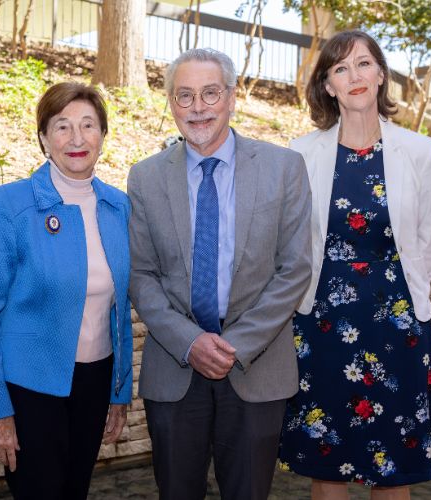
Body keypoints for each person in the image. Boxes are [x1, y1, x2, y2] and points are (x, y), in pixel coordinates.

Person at [277, 30, 431, 499]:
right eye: (340, 68)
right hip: (323, 326)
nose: (353, 75)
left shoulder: (421, 152)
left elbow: (427, 244)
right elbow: (293, 243)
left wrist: (408, 300)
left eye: (362, 64)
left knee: (394, 468)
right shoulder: (300, 154)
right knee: (328, 466)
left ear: (380, 74)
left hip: (397, 327)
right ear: (328, 86)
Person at [128, 48, 313, 500]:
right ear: (171, 102)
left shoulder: (283, 168)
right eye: (184, 95)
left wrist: (236, 346)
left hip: (257, 367)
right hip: (175, 368)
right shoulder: (145, 177)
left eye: (210, 93)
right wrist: (190, 342)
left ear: (232, 97)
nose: (197, 108)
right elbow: (140, 274)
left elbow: (295, 269)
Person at [0, 82, 133, 500]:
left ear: (103, 135)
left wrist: (119, 391)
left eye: (88, 125)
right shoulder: (9, 205)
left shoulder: (119, 207)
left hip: (95, 382)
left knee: (75, 492)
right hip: (29, 389)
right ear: (43, 138)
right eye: (62, 127)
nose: (77, 139)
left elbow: (121, 307)